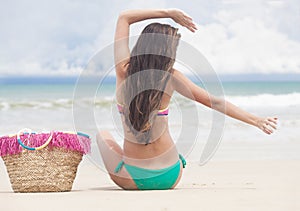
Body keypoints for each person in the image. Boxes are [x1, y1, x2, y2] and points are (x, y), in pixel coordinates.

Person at [96, 9, 278, 190]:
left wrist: (168, 13)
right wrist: (256, 120)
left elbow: (124, 17)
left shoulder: (123, 71)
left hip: (134, 179)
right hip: (171, 175)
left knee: (102, 135)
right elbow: (214, 102)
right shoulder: (171, 77)